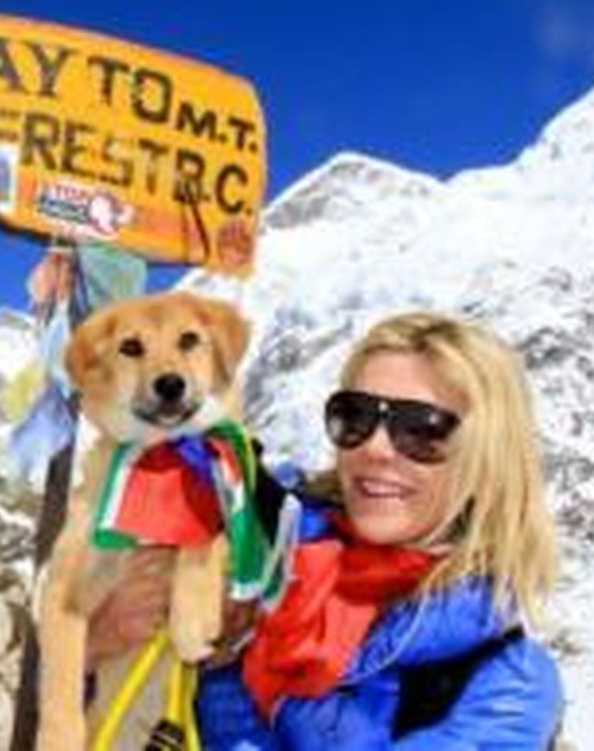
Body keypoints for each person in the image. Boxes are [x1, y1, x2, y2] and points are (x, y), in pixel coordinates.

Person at [86, 311, 563, 749]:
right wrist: (100, 641)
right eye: (356, 416)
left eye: (423, 429)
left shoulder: (508, 684)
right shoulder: (257, 554)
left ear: (487, 459)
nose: (375, 448)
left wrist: (260, 664)